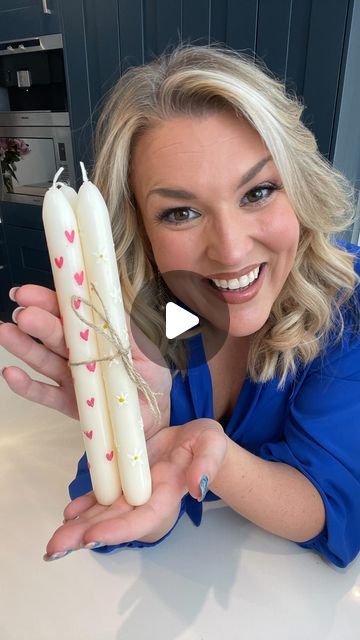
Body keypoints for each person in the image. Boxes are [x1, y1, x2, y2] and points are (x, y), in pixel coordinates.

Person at [1, 44, 359, 568]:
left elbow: (329, 501)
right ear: (140, 229)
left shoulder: (346, 305)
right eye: (182, 212)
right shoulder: (126, 325)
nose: (232, 249)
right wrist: (146, 445)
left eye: (257, 192)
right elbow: (121, 506)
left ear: (299, 189)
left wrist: (213, 455)